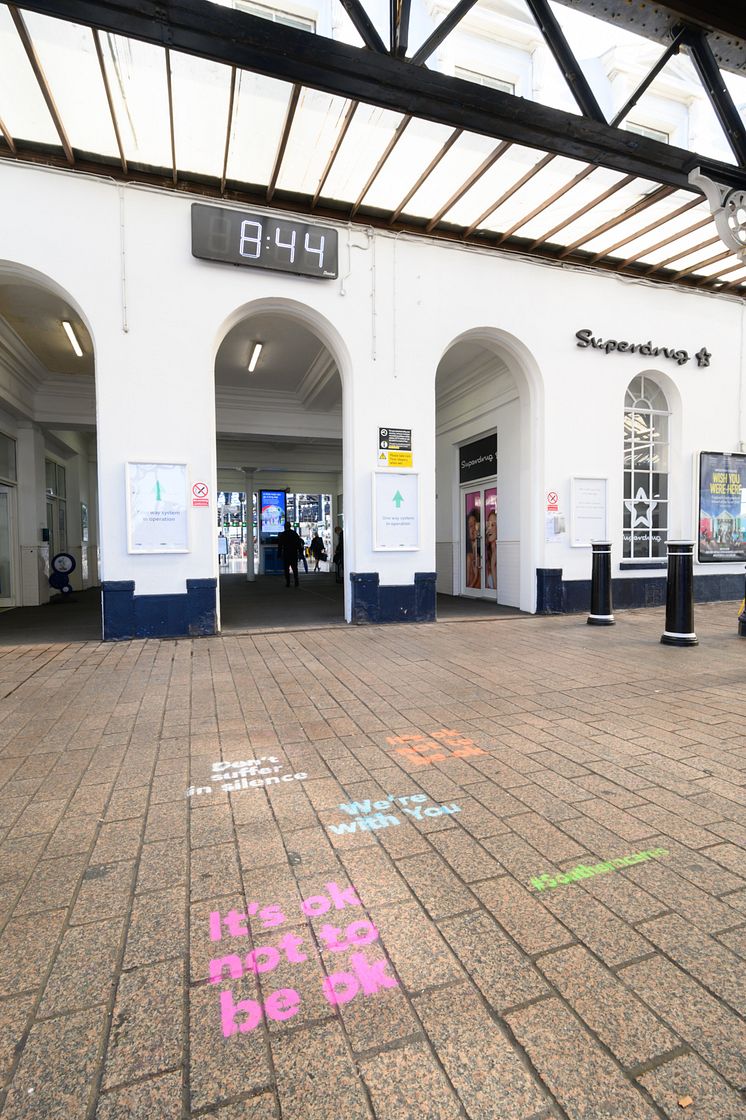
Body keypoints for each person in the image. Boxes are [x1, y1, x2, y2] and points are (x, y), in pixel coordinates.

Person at [277, 521, 304, 587]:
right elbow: (299, 544)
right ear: (290, 526)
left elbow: (280, 545)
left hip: (286, 554)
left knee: (286, 569)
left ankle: (288, 582)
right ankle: (296, 582)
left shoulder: (282, 535)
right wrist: (300, 553)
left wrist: (279, 554)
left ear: (284, 527)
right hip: (294, 553)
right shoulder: (294, 534)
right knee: (295, 568)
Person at [466, 508, 480, 588]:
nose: (474, 528)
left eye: (475, 524)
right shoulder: (468, 556)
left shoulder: (480, 555)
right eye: (471, 526)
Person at [485, 507, 497, 591]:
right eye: (488, 524)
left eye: (493, 525)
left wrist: (492, 566)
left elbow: (498, 589)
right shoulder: (491, 549)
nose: (489, 528)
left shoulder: (497, 550)